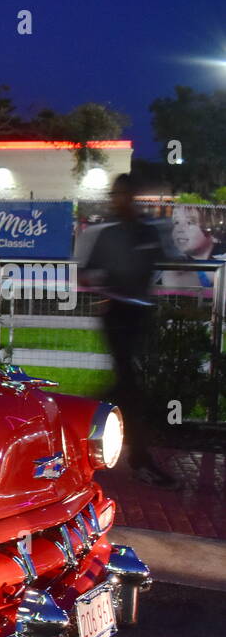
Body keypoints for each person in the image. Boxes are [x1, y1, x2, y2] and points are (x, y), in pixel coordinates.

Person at [78, 174, 178, 489]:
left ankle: (79, 417)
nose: (117, 199)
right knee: (130, 387)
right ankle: (140, 459)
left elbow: (168, 258)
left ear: (132, 196)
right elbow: (86, 271)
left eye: (122, 194)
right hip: (117, 313)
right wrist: (105, 290)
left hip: (141, 314)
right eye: (114, 194)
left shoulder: (148, 230)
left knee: (124, 387)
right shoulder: (108, 234)